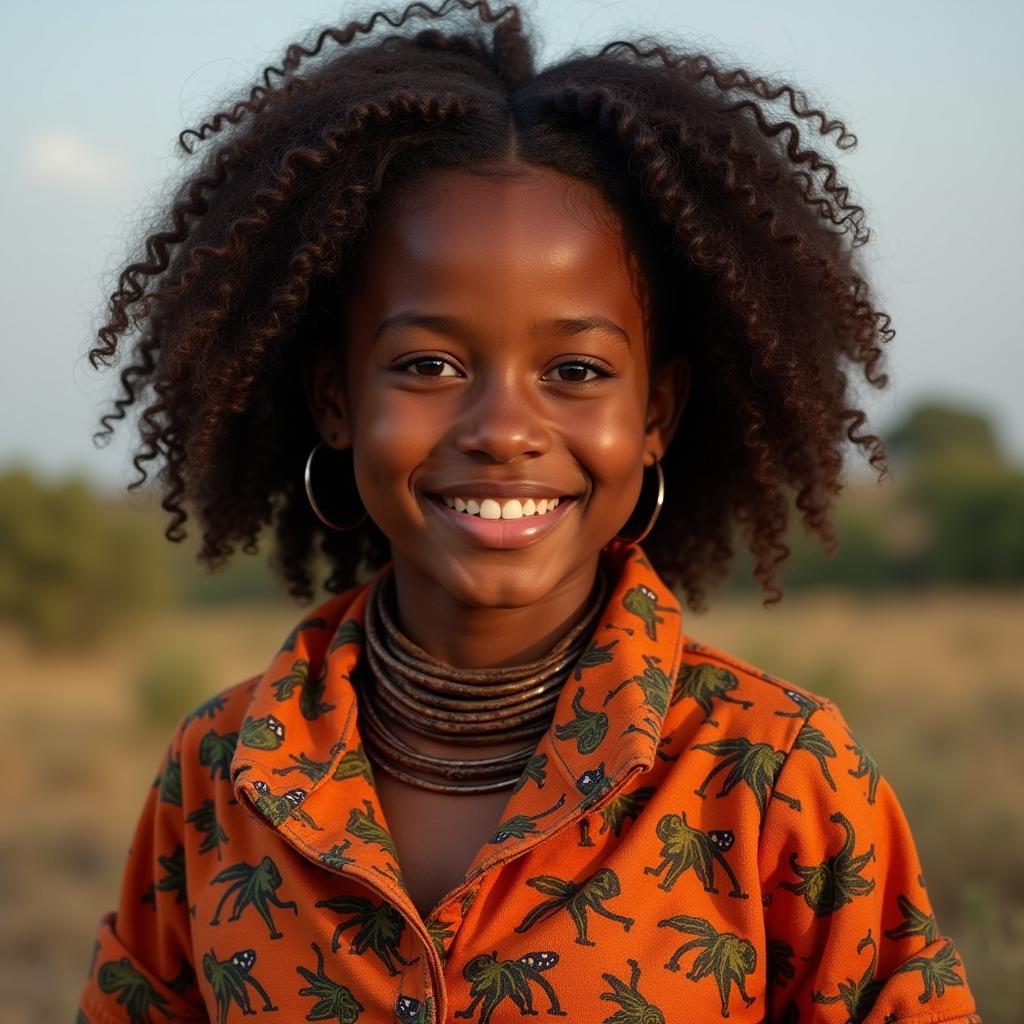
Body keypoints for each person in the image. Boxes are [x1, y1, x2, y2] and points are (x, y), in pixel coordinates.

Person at [76, 2, 981, 1021]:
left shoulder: (777, 780)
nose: (503, 428)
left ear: (656, 414)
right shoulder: (216, 777)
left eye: (576, 368)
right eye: (428, 363)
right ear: (336, 400)